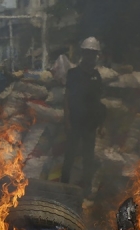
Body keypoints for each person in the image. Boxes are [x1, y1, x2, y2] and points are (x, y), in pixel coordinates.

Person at [61, 37, 105, 197]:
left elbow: (99, 102)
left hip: (90, 124)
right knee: (70, 155)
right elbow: (66, 97)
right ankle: (63, 186)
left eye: (93, 54)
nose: (90, 57)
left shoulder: (97, 76)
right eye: (88, 53)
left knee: (88, 157)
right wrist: (66, 119)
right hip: (75, 121)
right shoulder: (73, 74)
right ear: (83, 54)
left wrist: (101, 124)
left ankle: (86, 190)